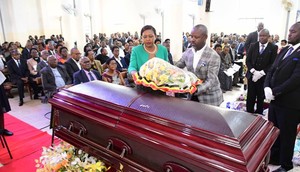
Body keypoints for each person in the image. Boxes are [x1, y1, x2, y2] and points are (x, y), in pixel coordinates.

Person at [264, 22, 300, 172]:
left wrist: (275, 91)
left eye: (293, 32)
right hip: (275, 101)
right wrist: (266, 86)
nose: (289, 34)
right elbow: (272, 69)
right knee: (275, 130)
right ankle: (275, 157)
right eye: (289, 31)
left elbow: (295, 79)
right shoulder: (285, 50)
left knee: (287, 135)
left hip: (290, 104)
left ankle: (286, 165)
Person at [176, 24, 223, 106]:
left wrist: (195, 90)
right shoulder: (188, 52)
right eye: (191, 36)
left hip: (209, 98)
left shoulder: (213, 56)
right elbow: (178, 65)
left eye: (196, 37)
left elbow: (211, 80)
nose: (192, 40)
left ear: (205, 37)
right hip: (192, 96)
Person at [246, 29, 277, 115]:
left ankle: (259, 113)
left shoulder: (273, 47)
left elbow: (273, 63)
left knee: (261, 96)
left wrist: (261, 73)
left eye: (264, 36)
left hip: (264, 77)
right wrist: (253, 71)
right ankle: (249, 113)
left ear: (268, 36)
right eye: (260, 36)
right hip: (252, 75)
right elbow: (248, 60)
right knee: (250, 96)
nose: (262, 37)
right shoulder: (253, 45)